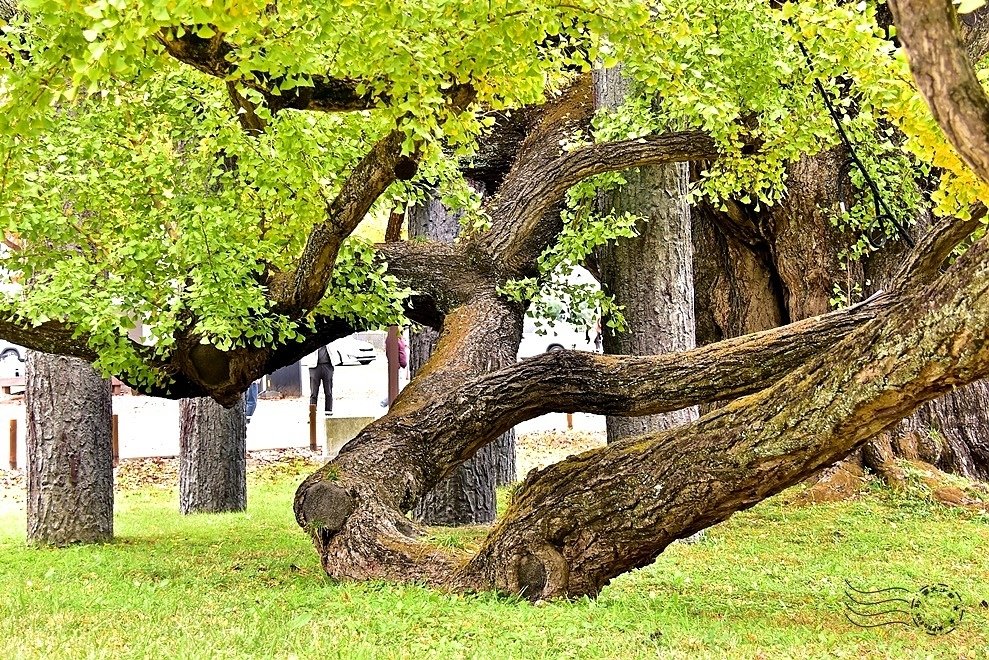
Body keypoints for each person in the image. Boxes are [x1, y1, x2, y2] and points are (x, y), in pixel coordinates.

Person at [301, 345, 334, 416]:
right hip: (314, 367)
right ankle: (312, 413)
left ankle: (328, 412)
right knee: (314, 392)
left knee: (328, 391)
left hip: (327, 365)